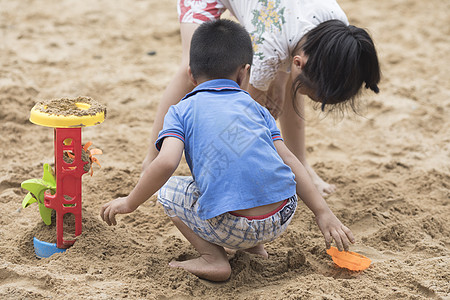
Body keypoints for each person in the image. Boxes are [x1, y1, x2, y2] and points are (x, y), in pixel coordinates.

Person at [101, 19, 355, 282]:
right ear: (243, 73)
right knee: (252, 170)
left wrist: (129, 202)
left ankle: (213, 259)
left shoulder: (180, 110)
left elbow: (166, 164)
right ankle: (255, 249)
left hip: (232, 225)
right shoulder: (257, 109)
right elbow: (289, 159)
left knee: (169, 191)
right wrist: (322, 212)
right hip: (281, 216)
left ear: (191, 74)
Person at [142, 0, 381, 197]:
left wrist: (280, 79)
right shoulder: (269, 47)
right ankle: (151, 164)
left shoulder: (336, 29)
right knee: (192, 67)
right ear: (297, 62)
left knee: (291, 82)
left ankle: (300, 164)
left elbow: (288, 62)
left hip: (274, 16)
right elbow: (242, 113)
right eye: (314, 96)